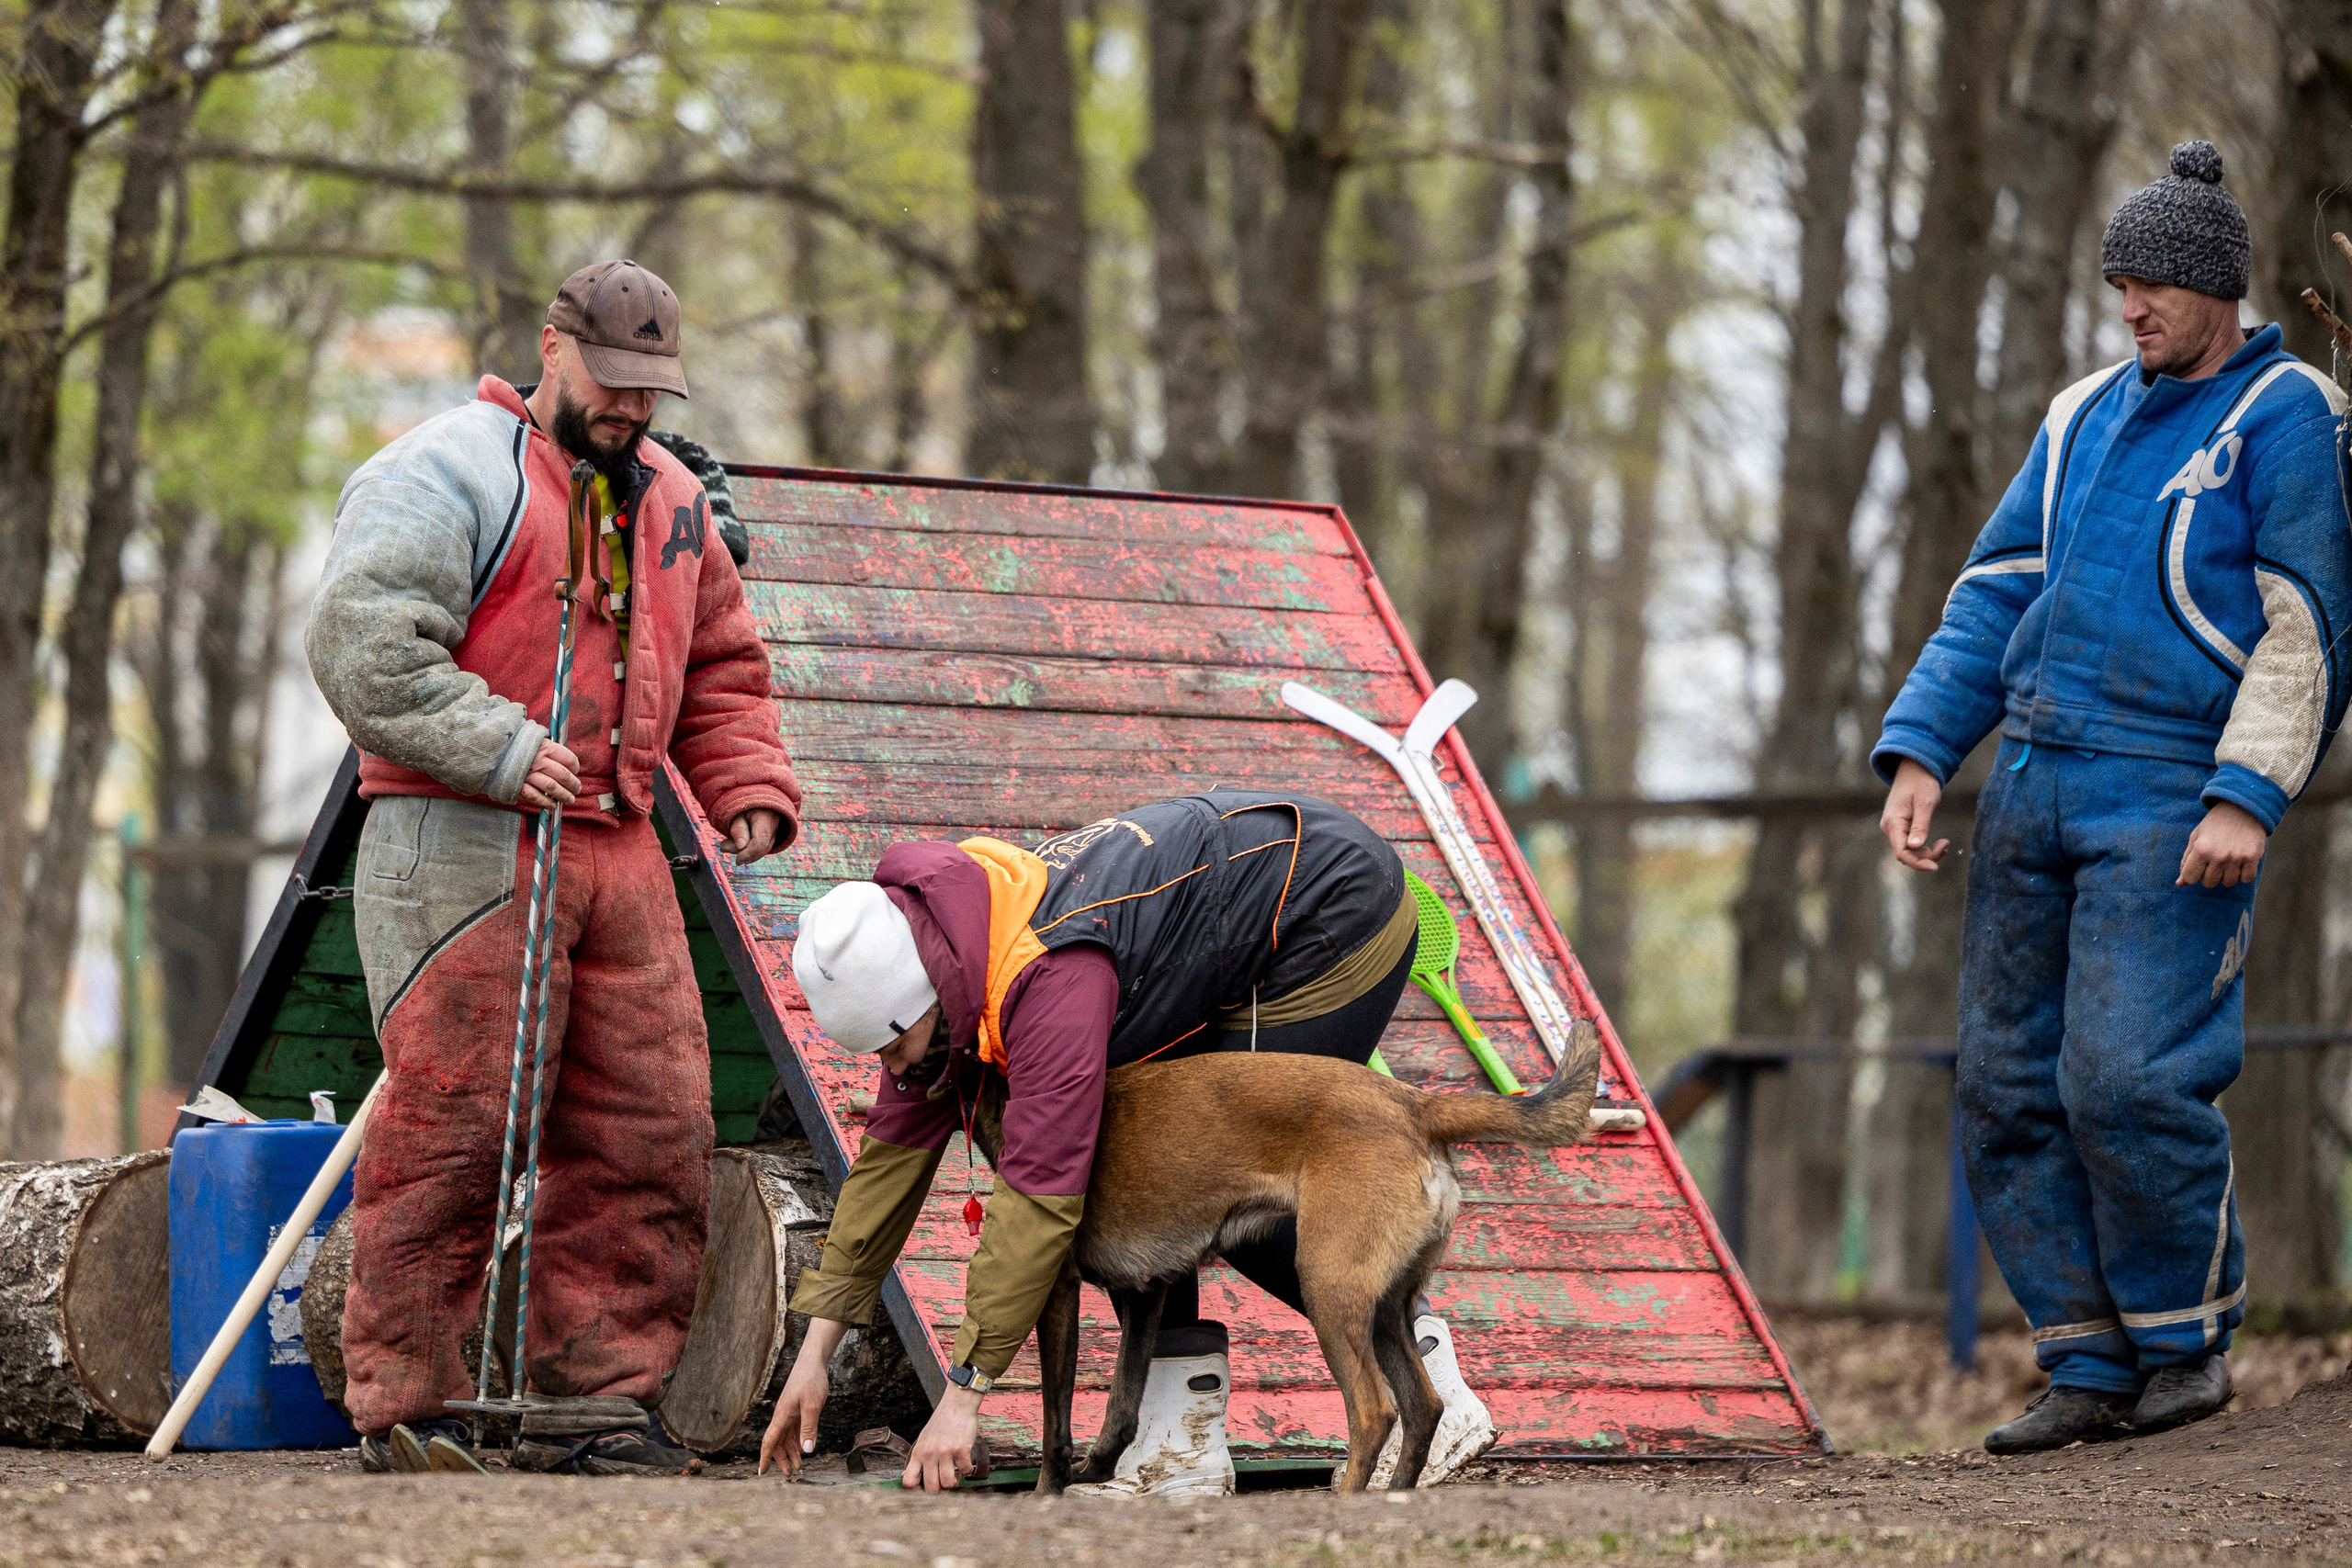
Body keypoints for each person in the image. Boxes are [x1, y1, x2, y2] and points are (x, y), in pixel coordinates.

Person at [1875, 142, 2352, 1453]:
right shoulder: (2082, 409)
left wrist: (2248, 790)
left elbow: (2308, 622)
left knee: (2128, 1076)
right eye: (2119, 285)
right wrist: (1924, 749)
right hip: (2029, 777)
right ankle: (2083, 1357)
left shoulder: (2293, 412)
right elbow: (1995, 587)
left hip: (2169, 790)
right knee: (2006, 1084)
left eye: (2152, 287)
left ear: (2218, 288)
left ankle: (2183, 1342)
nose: (2130, 308)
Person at [307, 260, 803, 1475]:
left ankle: (597, 1400)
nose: (632, 406)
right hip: (462, 829)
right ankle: (410, 1401)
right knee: (457, 1124)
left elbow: (728, 668)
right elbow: (363, 648)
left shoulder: (678, 501)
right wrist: (500, 746)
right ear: (552, 348)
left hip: (619, 841)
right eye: (614, 381)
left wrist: (746, 787)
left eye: (653, 388)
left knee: (648, 1124)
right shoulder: (442, 468)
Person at [759, 791, 1496, 1495]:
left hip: (1329, 905)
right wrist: (815, 1353)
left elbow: (1040, 1198)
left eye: (892, 1047)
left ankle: (1425, 1374)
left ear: (925, 1002)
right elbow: (886, 1171)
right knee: (1159, 1170)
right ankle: (1179, 1433)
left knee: (1220, 1168)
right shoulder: (940, 961)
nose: (889, 1070)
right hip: (1246, 909)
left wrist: (964, 1395)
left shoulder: (1046, 978)